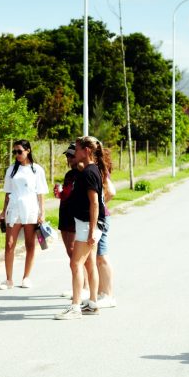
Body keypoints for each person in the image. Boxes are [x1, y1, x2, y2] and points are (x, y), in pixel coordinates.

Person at [55, 136, 107, 320]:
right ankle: (92, 303)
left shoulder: (89, 172)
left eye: (76, 150)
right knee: (89, 263)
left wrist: (92, 230)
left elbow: (95, 203)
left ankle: (75, 306)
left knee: (75, 263)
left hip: (87, 224)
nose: (74, 153)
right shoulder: (90, 170)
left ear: (87, 151)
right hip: (86, 223)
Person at [0, 140, 48, 290]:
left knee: (30, 244)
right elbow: (8, 192)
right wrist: (3, 211)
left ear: (28, 151)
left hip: (31, 209)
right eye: (15, 152)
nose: (17, 155)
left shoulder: (37, 170)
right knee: (9, 244)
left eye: (19, 151)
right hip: (14, 208)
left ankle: (26, 277)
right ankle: (8, 279)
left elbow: (41, 193)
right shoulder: (11, 170)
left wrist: (42, 212)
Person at [56, 143, 89, 301]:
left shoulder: (84, 172)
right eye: (67, 156)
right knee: (70, 253)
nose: (68, 158)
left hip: (77, 216)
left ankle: (85, 287)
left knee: (78, 255)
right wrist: (60, 193)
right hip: (65, 215)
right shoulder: (69, 174)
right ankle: (79, 285)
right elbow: (67, 195)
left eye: (71, 155)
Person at [96, 148, 117, 308]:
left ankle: (109, 295)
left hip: (101, 217)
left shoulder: (100, 170)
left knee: (102, 255)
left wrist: (101, 204)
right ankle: (102, 292)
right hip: (100, 216)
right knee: (98, 256)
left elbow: (111, 191)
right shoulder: (98, 169)